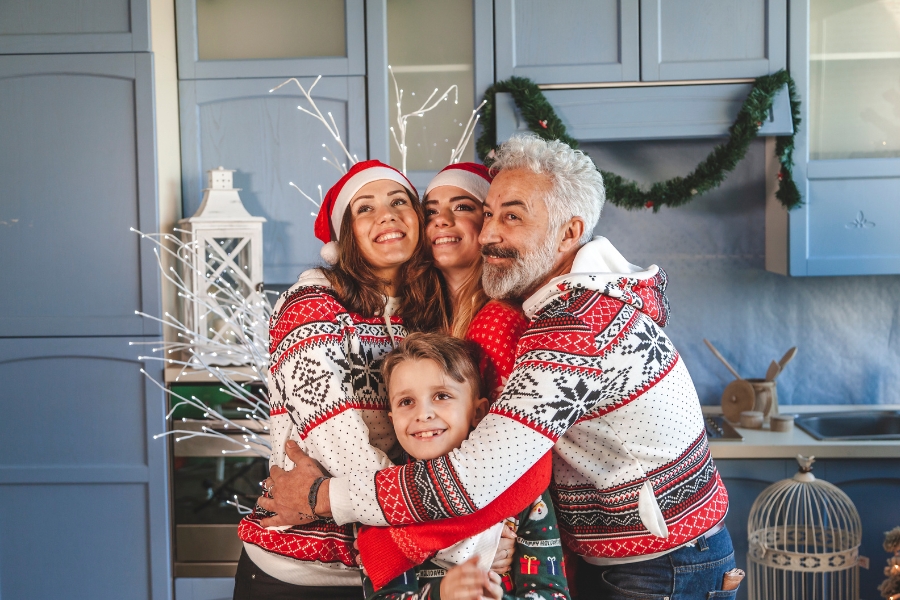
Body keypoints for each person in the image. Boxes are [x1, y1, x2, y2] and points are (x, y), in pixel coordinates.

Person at [259, 135, 737, 600]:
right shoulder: (489, 313)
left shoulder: (575, 326)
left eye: (510, 217)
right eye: (489, 214)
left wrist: (324, 499)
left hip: (661, 565)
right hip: (618, 555)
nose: (489, 233)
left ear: (569, 232)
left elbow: (484, 474)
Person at [234, 159, 449, 599]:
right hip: (299, 572)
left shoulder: (430, 312)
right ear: (345, 234)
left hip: (394, 570)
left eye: (398, 202)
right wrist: (439, 528)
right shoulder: (310, 304)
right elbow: (337, 438)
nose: (386, 215)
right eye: (364, 208)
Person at [363, 332, 569, 600]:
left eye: (441, 396)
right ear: (392, 420)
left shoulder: (517, 485)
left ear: (478, 413)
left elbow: (551, 593)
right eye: (406, 402)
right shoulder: (379, 499)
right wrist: (442, 595)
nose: (423, 414)